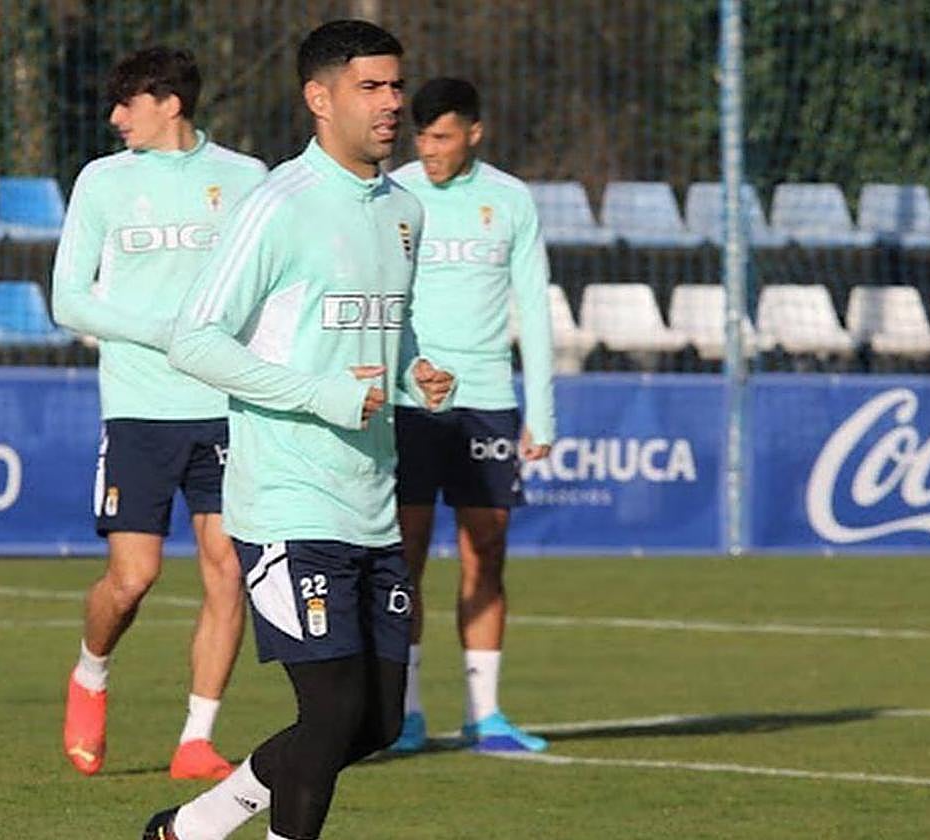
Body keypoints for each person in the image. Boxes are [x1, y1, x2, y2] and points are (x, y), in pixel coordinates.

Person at [141, 20, 454, 840]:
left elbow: (391, 329)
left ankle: (198, 827)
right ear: (320, 99)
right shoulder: (279, 205)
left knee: (377, 723)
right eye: (371, 88)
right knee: (332, 709)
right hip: (287, 500)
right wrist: (320, 395)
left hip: (370, 503)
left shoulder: (406, 212)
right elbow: (195, 339)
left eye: (396, 86)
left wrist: (415, 370)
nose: (392, 104)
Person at [52, 46, 268, 780]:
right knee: (132, 579)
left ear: (169, 103)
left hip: (228, 408)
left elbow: (269, 290)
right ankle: (91, 673)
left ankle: (196, 739)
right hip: (141, 408)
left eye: (127, 102)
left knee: (228, 568)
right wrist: (166, 333)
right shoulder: (103, 182)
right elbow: (68, 300)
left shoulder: (246, 180)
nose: (115, 117)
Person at [388, 78, 555, 753]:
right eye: (421, 136)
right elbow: (382, 300)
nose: (429, 150)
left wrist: (539, 410)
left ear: (474, 134)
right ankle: (406, 712)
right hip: (411, 401)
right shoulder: (394, 194)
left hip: (488, 400)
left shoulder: (511, 200)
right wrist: (406, 372)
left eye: (443, 137)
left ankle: (486, 714)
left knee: (486, 552)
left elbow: (535, 306)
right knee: (405, 558)